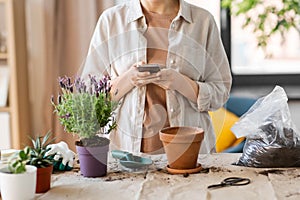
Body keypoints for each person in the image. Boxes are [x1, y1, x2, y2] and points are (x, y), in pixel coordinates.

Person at [81, 0, 232, 154]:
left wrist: (181, 83)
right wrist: (128, 79)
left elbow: (221, 90)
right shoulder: (112, 20)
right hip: (125, 153)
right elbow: (88, 96)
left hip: (190, 153)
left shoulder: (202, 21)